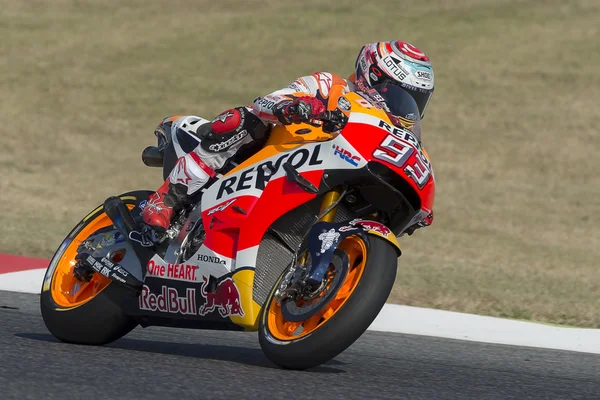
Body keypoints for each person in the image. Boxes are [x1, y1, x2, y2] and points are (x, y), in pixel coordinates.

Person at [141, 40, 435, 236]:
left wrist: (419, 210)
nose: (404, 106)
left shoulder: (395, 135)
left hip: (322, 176)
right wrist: (298, 106)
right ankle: (167, 199)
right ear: (371, 75)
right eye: (397, 94)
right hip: (267, 156)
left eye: (414, 101)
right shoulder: (330, 85)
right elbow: (265, 103)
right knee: (243, 119)